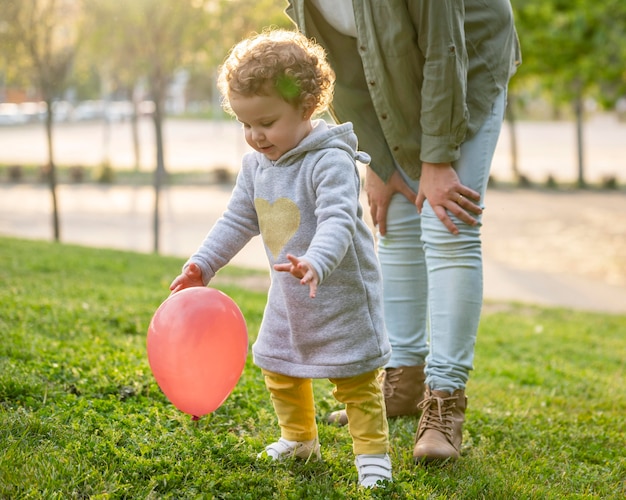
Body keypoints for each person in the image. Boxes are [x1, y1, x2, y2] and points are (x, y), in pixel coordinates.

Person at [285, 0, 521, 463]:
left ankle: (445, 399)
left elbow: (442, 49)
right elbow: (339, 67)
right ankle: (404, 382)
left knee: (449, 223)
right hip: (394, 85)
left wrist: (436, 160)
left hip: (465, 66)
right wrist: (376, 157)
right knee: (395, 219)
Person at [169, 29, 393, 488]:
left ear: (306, 107)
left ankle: (372, 455)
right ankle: (299, 439)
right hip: (290, 296)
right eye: (245, 124)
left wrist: (316, 261)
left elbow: (339, 221)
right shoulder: (256, 166)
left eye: (266, 122)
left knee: (356, 381)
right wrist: (202, 264)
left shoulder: (329, 161)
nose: (255, 136)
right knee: (279, 367)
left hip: (340, 296)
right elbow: (237, 220)